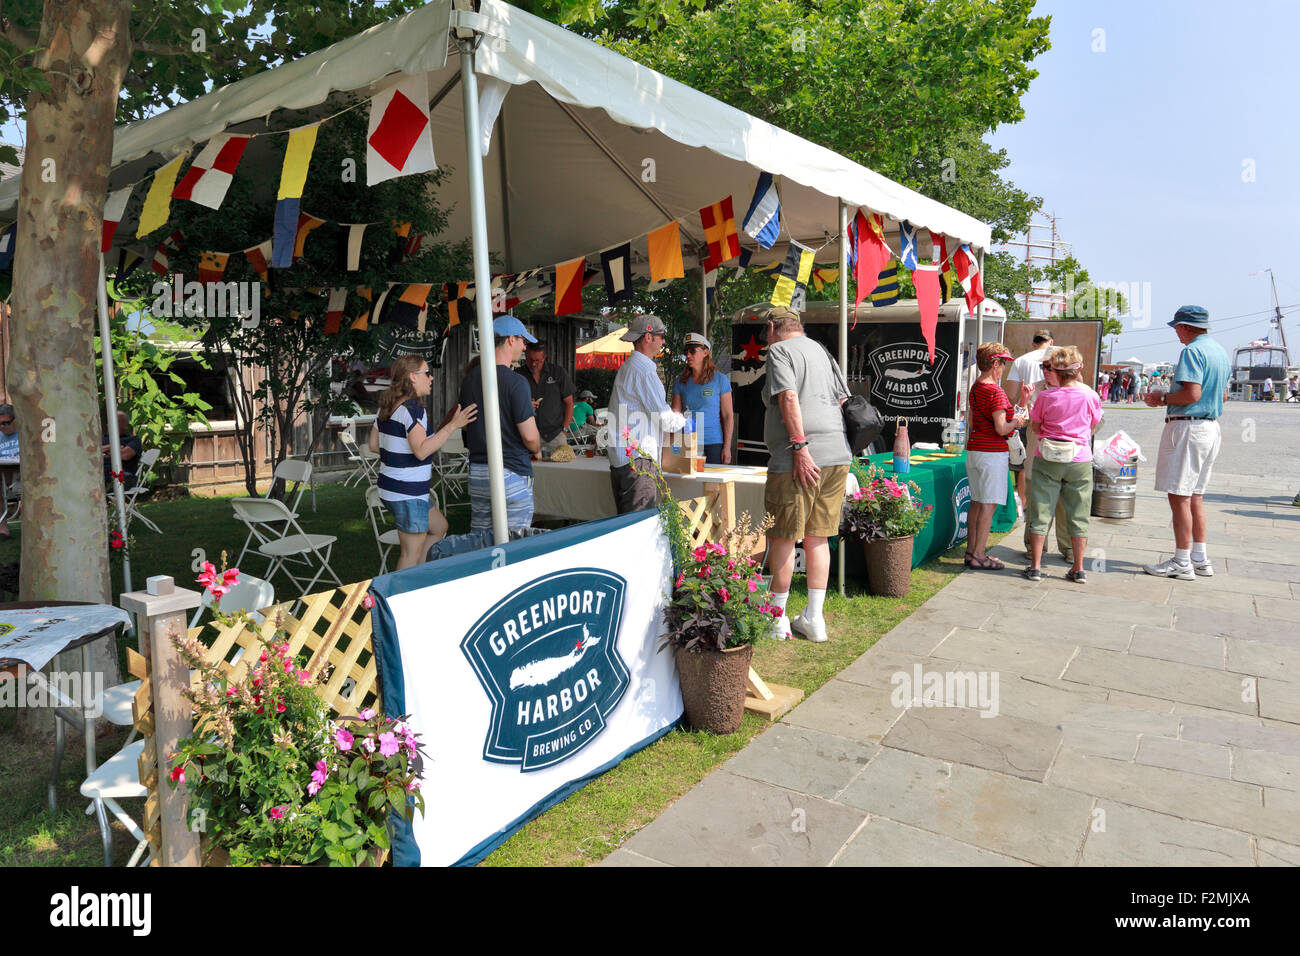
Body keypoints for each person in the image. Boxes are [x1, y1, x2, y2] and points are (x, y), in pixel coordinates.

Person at [760, 305, 850, 643]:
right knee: (818, 536)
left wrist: (799, 447)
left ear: (773, 327)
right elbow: (844, 399)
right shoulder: (821, 350)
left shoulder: (779, 350)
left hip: (797, 456)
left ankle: (776, 620)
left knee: (783, 536)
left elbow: (787, 397)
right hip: (836, 453)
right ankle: (814, 619)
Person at [1141, 305, 1231, 580]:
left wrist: (1162, 398)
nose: (1176, 333)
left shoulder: (1192, 351)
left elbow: (1192, 393)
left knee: (1179, 495)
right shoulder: (1220, 351)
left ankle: (1181, 560)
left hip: (1188, 427)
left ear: (1186, 326)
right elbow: (1223, 395)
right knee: (1195, 495)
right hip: (1210, 427)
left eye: (1177, 327)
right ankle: (1199, 557)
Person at [368, 355, 476, 570]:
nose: (431, 377)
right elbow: (422, 450)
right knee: (409, 554)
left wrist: (398, 450)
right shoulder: (413, 409)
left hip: (392, 488)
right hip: (407, 493)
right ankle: (398, 597)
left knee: (439, 527)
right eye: (426, 372)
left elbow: (373, 444)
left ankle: (419, 574)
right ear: (412, 377)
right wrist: (453, 425)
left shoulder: (388, 406)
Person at [1023, 346, 1104, 583]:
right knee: (1079, 513)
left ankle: (1035, 566)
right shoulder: (1090, 395)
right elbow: (1094, 425)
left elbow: (1036, 427)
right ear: (1078, 369)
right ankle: (1078, 567)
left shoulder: (1047, 396)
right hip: (1079, 458)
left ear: (1057, 370)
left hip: (1047, 457)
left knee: (1040, 510)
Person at [460, 314, 541, 532]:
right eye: (523, 340)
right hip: (511, 470)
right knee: (514, 545)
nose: (525, 347)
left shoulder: (470, 379)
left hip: (477, 471)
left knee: (481, 542)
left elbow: (467, 425)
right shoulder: (516, 382)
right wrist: (537, 449)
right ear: (510, 340)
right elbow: (530, 436)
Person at [606, 314, 686, 514]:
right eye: (661, 336)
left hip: (625, 459)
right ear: (648, 337)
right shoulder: (643, 371)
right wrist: (685, 421)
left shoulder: (629, 367)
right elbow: (664, 419)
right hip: (637, 461)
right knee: (639, 530)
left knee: (627, 529)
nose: (664, 341)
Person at [1006, 329, 1071, 562]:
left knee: (1054, 499)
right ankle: (1047, 549)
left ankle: (1053, 548)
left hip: (1055, 448)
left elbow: (1012, 397)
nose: (1045, 371)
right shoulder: (1040, 386)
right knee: (1048, 500)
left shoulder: (1077, 391)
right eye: (1044, 367)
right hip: (1049, 449)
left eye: (1048, 367)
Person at [964, 343, 1026, 571]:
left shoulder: (975, 387)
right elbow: (1001, 428)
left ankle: (971, 552)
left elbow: (971, 422)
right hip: (992, 452)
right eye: (1004, 363)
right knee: (988, 506)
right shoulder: (995, 391)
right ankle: (980, 554)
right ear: (995, 363)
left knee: (977, 503)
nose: (1005, 368)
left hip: (975, 449)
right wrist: (1017, 422)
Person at [1005, 330, 1053, 511]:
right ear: (1051, 342)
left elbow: (1011, 394)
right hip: (1053, 415)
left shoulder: (1021, 360)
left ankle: (1024, 504)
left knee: (1025, 463)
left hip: (1029, 412)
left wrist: (1019, 406)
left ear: (1034, 343)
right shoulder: (1057, 356)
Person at [671, 332, 734, 465]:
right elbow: (675, 414)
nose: (688, 355)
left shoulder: (720, 380)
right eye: (685, 351)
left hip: (714, 443)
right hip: (688, 443)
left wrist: (727, 447)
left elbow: (728, 415)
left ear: (705, 352)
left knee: (712, 484)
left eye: (693, 351)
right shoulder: (680, 381)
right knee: (689, 484)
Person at [518, 337, 574, 456]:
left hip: (555, 435)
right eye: (529, 359)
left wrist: (564, 430)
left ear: (544, 358)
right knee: (531, 472)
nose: (533, 364)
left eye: (537, 360)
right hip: (526, 435)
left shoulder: (558, 373)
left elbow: (569, 403)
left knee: (559, 473)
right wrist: (525, 405)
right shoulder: (518, 375)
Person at [101, 411, 142, 490]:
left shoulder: (133, 439)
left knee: (123, 477)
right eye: (110, 421)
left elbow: (125, 455)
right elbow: (94, 451)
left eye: (117, 422)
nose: (111, 424)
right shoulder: (101, 439)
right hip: (100, 472)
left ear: (126, 425)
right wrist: (115, 447)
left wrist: (104, 450)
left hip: (122, 473)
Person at [0, 405, 17, 539]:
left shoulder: (26, 433)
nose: (2, 427)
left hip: (23, 478)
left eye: (5, 423)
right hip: (3, 479)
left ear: (16, 420)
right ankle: (2, 528)